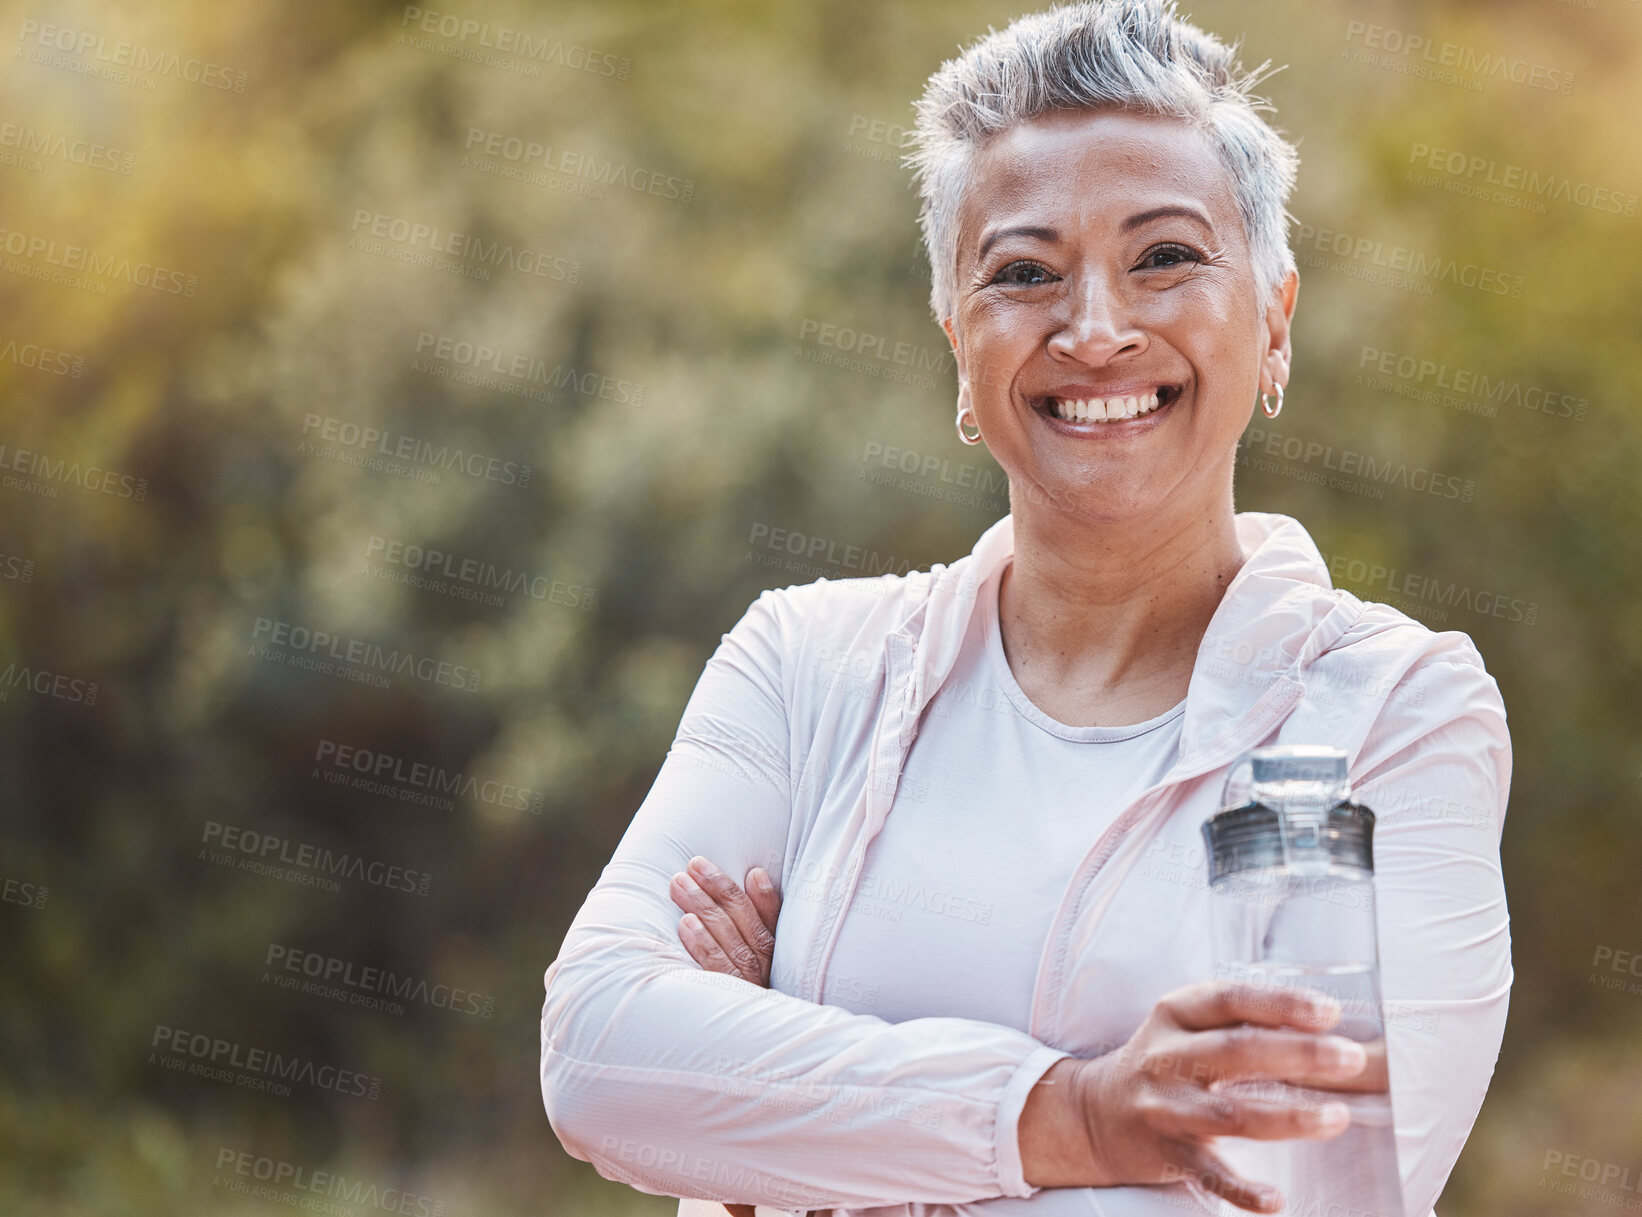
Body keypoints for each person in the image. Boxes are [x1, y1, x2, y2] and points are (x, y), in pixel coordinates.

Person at [539, 2, 1512, 1216]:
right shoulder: (802, 664)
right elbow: (598, 1053)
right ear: (960, 342)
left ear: (1273, 317)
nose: (1095, 329)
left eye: (1164, 256)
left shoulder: (1397, 713)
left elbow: (1310, 1190)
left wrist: (783, 1121)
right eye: (1023, 272)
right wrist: (1081, 1118)